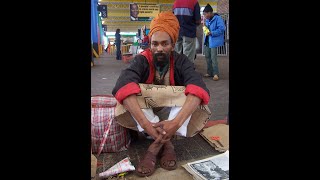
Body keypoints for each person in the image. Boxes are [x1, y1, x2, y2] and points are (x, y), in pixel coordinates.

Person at [112, 11, 211, 177]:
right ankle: (167, 145)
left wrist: (175, 123)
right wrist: (146, 126)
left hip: (171, 115)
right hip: (148, 116)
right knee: (129, 93)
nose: (159, 49)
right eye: (155, 44)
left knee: (193, 94)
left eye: (165, 44)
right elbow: (123, 84)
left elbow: (197, 85)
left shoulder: (181, 61)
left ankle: (155, 147)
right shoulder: (141, 60)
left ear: (173, 45)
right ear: (149, 44)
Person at [203, 4, 226, 81]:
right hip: (207, 41)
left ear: (210, 12)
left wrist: (212, 33)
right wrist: (204, 27)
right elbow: (206, 29)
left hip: (214, 41)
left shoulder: (218, 18)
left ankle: (216, 74)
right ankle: (209, 72)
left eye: (205, 14)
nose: (205, 16)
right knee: (207, 57)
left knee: (213, 58)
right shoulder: (207, 19)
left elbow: (222, 29)